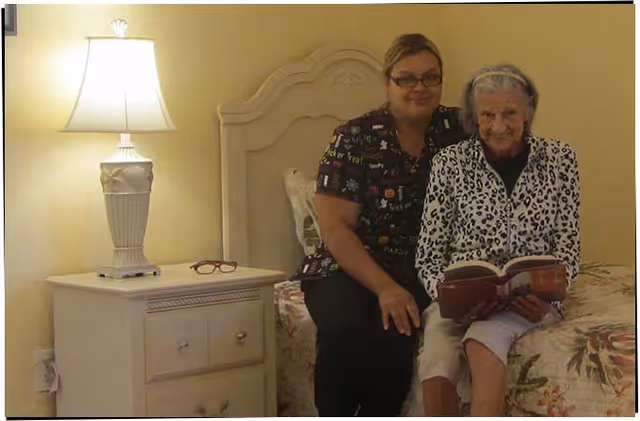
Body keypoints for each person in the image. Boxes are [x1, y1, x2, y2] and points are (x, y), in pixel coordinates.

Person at [295, 33, 466, 416]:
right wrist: (386, 288)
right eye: (406, 78)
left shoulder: (459, 130)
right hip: (347, 264)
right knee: (344, 330)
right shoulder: (354, 137)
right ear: (387, 82)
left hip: (420, 268)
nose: (419, 87)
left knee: (395, 335)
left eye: (430, 77)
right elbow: (336, 230)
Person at [414, 63, 581, 417]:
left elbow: (568, 249)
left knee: (483, 339)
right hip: (464, 300)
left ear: (528, 112)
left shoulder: (560, 159)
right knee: (437, 357)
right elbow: (428, 256)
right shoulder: (450, 163)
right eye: (487, 115)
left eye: (510, 113)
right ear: (475, 117)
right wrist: (450, 301)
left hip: (530, 299)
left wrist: (548, 300)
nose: (499, 125)